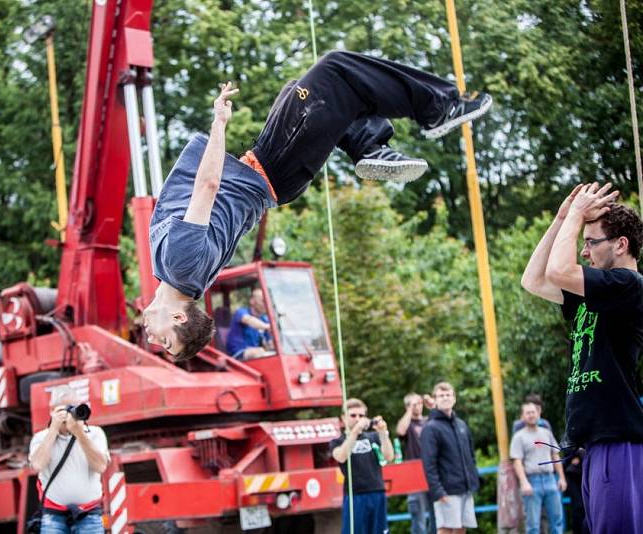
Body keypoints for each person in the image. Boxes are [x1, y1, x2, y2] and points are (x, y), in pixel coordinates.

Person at [142, 50, 493, 361]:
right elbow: (207, 187)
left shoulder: (182, 277)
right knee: (334, 71)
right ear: (179, 318)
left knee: (302, 91)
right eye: (167, 344)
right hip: (274, 164)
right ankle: (439, 107)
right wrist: (219, 122)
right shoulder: (181, 268)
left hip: (274, 171)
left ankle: (366, 143)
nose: (155, 341)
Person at [521, 183, 643, 534]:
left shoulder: (628, 285)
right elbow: (533, 280)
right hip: (596, 446)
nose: (584, 252)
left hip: (618, 442)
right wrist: (562, 218)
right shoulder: (597, 292)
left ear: (621, 245)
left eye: (590, 242)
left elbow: (560, 271)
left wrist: (576, 215)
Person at [29, 385, 109, 533]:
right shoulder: (41, 438)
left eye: (73, 408)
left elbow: (101, 467)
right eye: (64, 409)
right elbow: (37, 465)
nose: (70, 414)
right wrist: (53, 430)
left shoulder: (94, 434)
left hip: (89, 514)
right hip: (54, 516)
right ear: (52, 411)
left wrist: (80, 433)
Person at [420, 382, 480, 534]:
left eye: (448, 395)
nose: (445, 398)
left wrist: (473, 481)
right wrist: (438, 491)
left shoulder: (461, 425)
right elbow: (429, 464)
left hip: (465, 488)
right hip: (446, 490)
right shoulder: (431, 428)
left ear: (454, 399)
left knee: (461, 528)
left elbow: (471, 456)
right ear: (435, 400)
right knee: (445, 529)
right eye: (441, 395)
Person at [329, 398, 395, 534]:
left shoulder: (372, 437)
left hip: (376, 491)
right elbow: (341, 456)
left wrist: (383, 433)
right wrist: (355, 432)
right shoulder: (337, 441)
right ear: (343, 418)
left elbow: (389, 457)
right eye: (353, 415)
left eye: (361, 415)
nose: (357, 419)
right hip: (355, 495)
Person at [509, 401, 566, 534]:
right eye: (527, 413)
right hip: (531, 481)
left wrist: (562, 478)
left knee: (557, 521)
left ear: (538, 413)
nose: (531, 415)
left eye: (533, 412)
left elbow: (555, 455)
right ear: (522, 416)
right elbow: (517, 462)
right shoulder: (518, 437)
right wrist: (524, 483)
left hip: (550, 479)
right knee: (533, 524)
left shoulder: (546, 433)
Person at [396, 392, 436, 534]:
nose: (418, 406)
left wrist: (431, 405)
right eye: (414, 404)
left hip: (432, 472)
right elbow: (400, 430)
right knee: (418, 516)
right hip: (414, 475)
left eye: (419, 403)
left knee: (437, 515)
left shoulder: (429, 421)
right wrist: (409, 410)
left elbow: (444, 420)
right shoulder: (408, 424)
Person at [225, 287, 271, 359]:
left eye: (267, 301)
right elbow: (248, 319)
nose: (266, 304)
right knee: (260, 352)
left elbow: (269, 343)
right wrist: (267, 327)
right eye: (263, 301)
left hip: (253, 353)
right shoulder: (241, 312)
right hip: (237, 354)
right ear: (252, 301)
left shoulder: (264, 319)